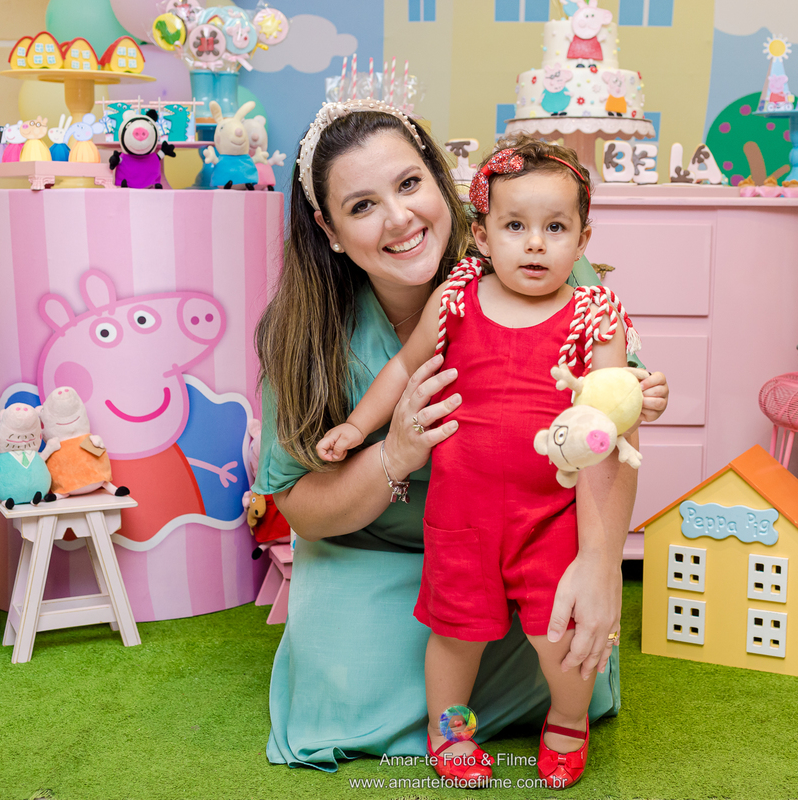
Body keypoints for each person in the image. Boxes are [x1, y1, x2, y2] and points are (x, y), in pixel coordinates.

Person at [254, 99, 668, 774]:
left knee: (561, 641)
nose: (399, 218)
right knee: (361, 687)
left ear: (443, 186)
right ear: (329, 230)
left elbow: (606, 432)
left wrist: (599, 564)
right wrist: (388, 450)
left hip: (537, 528)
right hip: (386, 541)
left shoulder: (554, 276)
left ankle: (559, 714)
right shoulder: (306, 330)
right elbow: (300, 502)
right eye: (362, 206)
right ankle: (453, 729)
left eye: (410, 184)